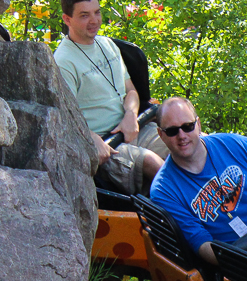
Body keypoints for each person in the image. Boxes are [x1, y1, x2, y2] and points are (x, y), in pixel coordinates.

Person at [150, 97, 247, 265]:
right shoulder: (163, 190)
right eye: (172, 131)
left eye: (188, 127)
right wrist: (240, 266)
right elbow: (202, 244)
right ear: (161, 134)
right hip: (242, 259)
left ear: (198, 124)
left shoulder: (233, 144)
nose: (182, 136)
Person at [54, 0, 168, 195]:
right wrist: (92, 139)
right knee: (152, 162)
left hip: (133, 127)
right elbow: (66, 118)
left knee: (190, 142)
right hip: (106, 145)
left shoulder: (108, 45)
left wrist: (131, 115)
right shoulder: (63, 61)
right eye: (84, 15)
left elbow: (130, 91)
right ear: (67, 19)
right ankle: (188, 217)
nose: (94, 20)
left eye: (97, 13)